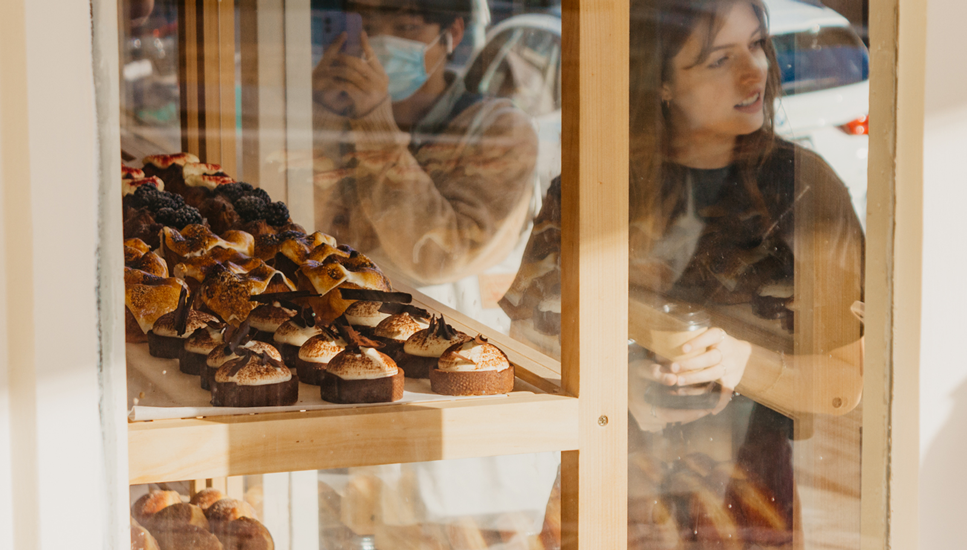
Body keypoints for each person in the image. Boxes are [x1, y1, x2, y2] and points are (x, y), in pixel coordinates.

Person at [501, 0, 866, 546]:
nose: (756, 70)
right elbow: (523, 352)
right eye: (719, 59)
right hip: (609, 491)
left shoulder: (806, 189)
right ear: (661, 83)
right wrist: (616, 386)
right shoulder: (593, 189)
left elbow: (848, 382)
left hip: (744, 504)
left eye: (757, 44)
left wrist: (743, 363)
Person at [310, 0, 539, 321]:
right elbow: (305, 231)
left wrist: (376, 129)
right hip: (334, 323)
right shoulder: (341, 116)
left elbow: (440, 258)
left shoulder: (500, 130)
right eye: (369, 30)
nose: (381, 44)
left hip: (446, 337)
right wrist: (322, 117)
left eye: (405, 28)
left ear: (453, 33)